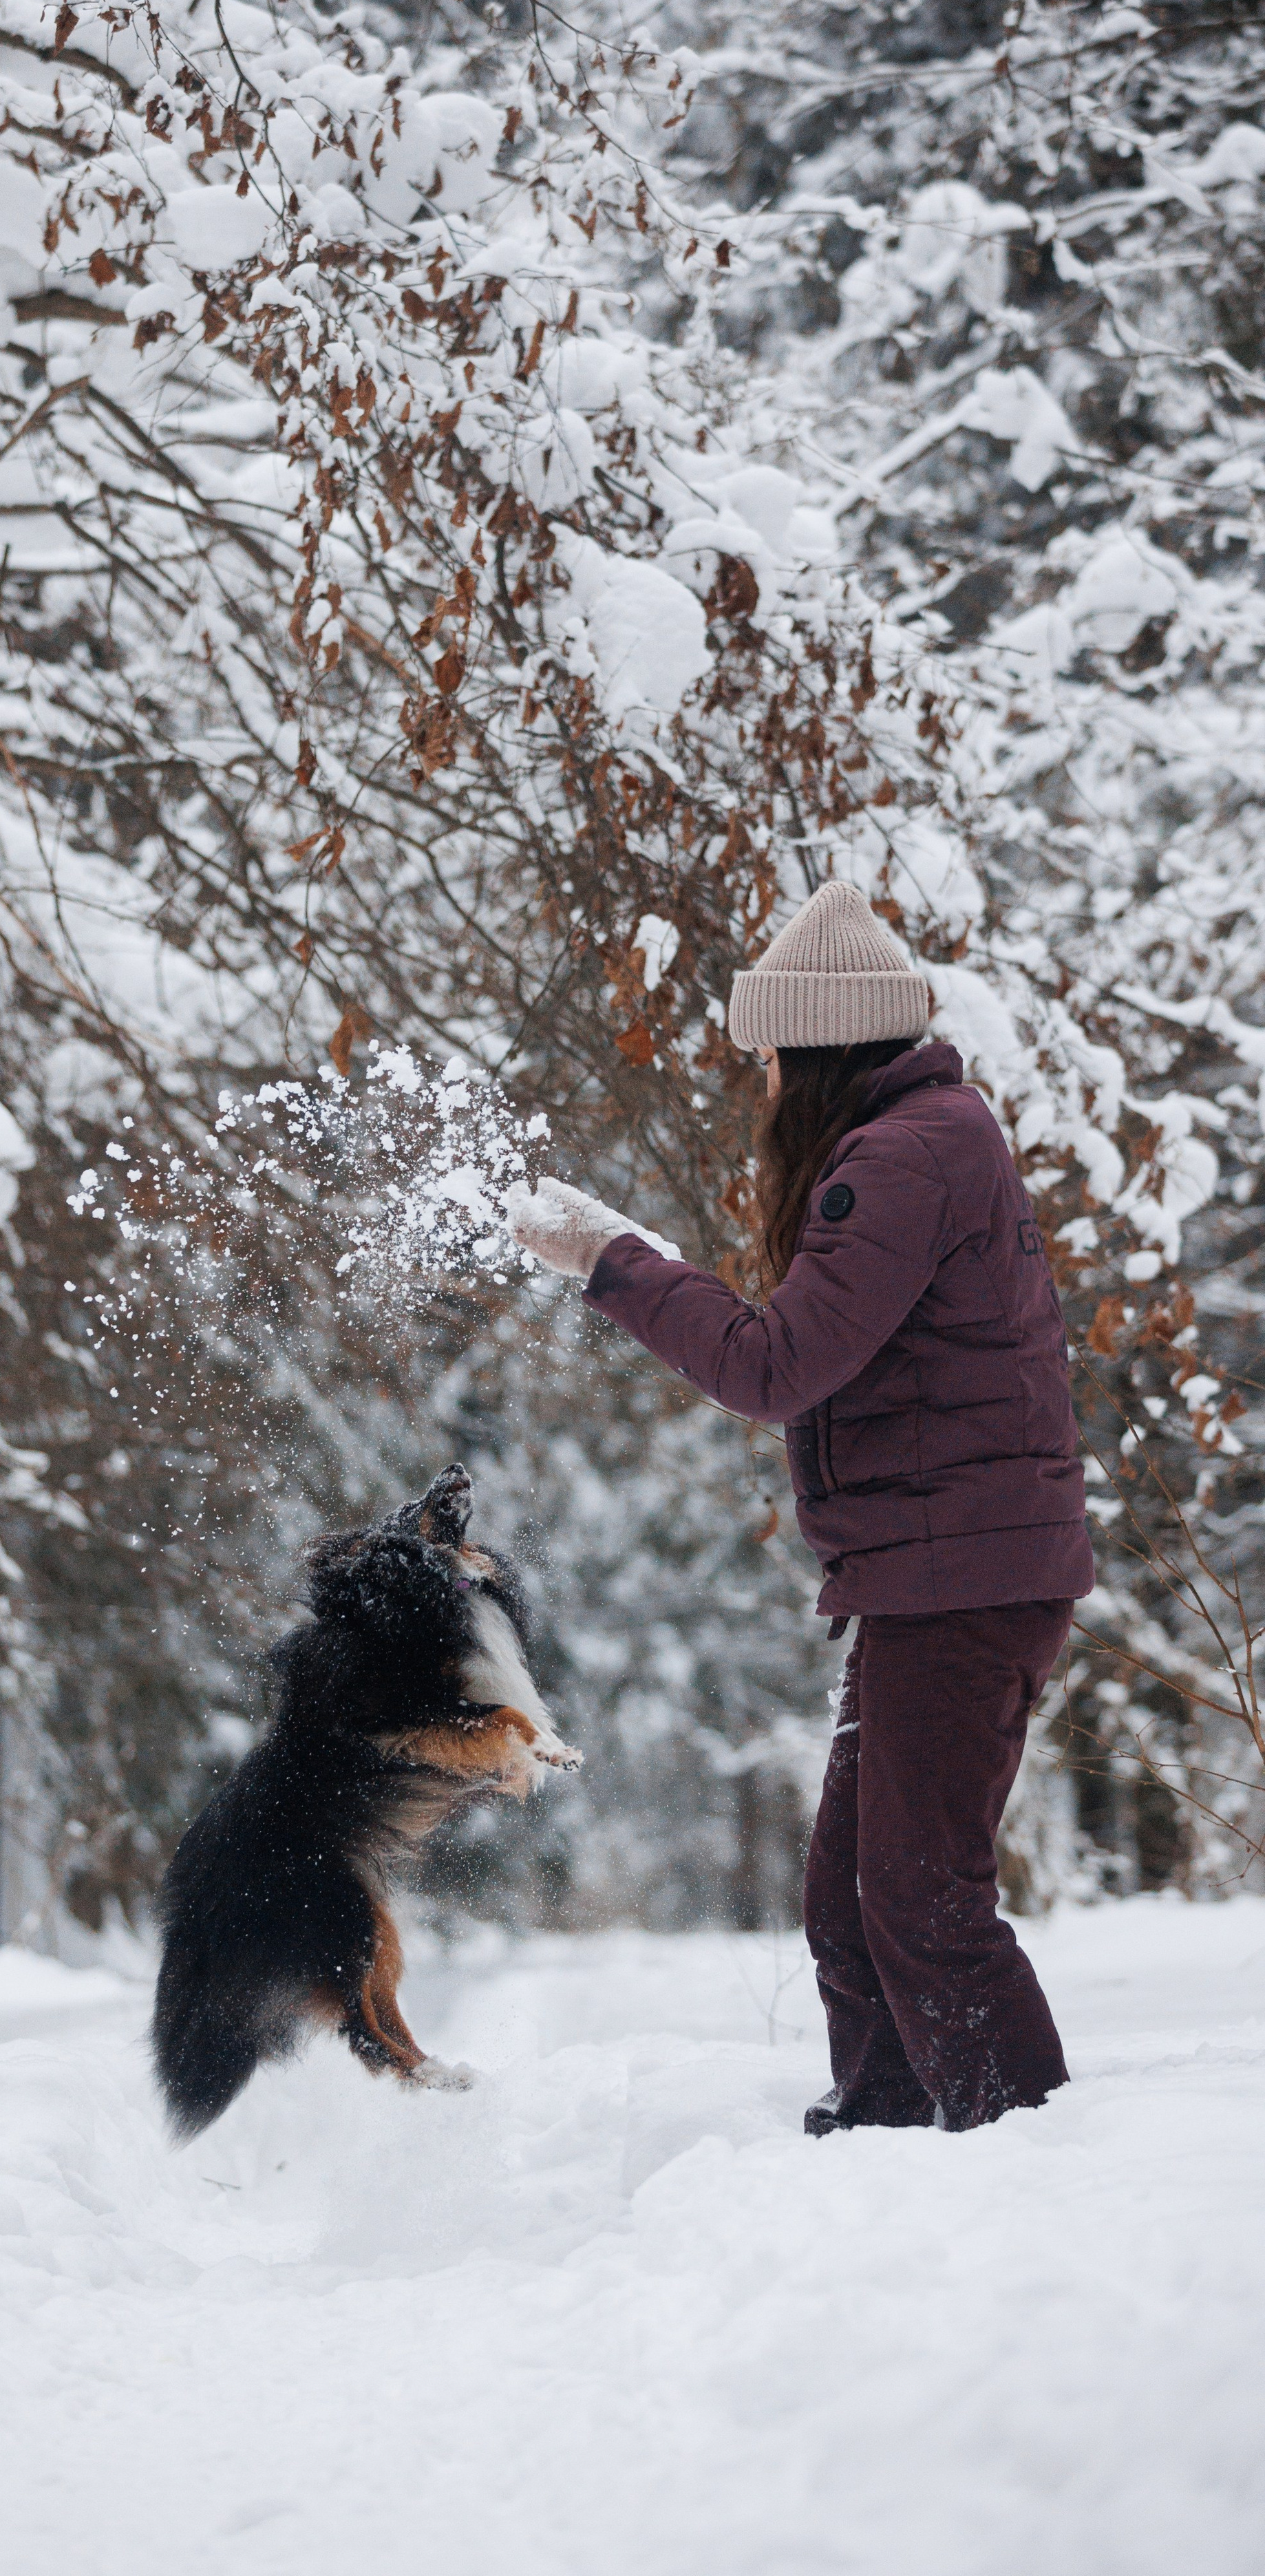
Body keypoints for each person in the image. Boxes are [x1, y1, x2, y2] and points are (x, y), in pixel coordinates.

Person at [507, 878, 1092, 2134]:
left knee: (925, 1896)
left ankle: (1028, 2146)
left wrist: (617, 1263)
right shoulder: (924, 1141)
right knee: (852, 1897)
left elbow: (774, 1368)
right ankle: (886, 2120)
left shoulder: (903, 1156)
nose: (763, 1082)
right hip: (934, 1571)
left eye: (771, 1054)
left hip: (962, 1574)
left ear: (820, 1049)